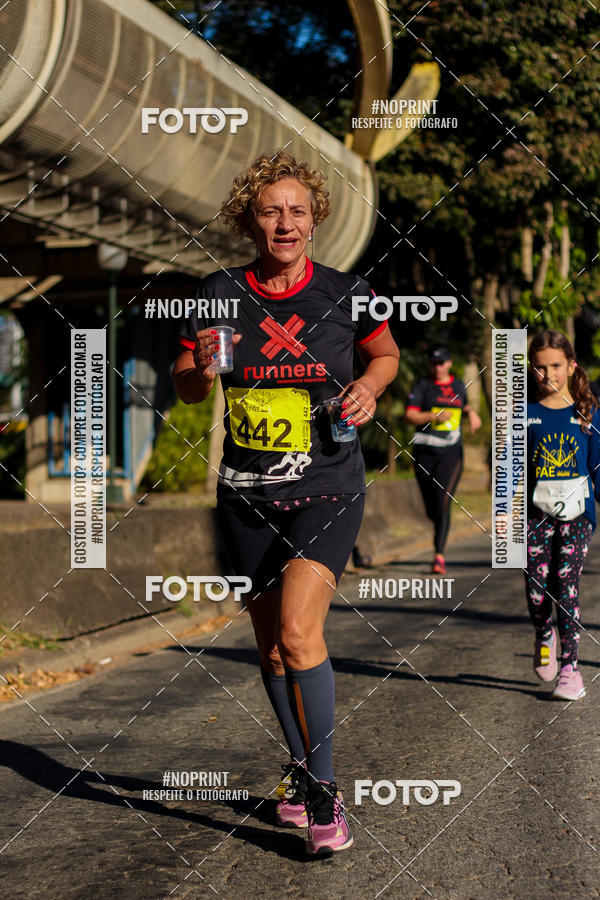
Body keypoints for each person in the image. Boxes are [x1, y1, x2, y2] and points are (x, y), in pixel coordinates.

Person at [172, 150, 399, 854]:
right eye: (271, 210)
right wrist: (202, 369)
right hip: (246, 494)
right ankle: (300, 770)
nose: (285, 222)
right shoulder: (216, 292)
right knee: (272, 650)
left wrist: (370, 388)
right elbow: (182, 382)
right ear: (249, 219)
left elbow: (384, 354)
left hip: (328, 483)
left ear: (315, 220)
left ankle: (327, 796)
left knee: (300, 633)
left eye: (297, 210)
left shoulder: (346, 291)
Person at [526, 330, 600, 700]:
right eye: (540, 368)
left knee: (566, 583)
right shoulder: (524, 414)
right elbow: (510, 472)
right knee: (538, 590)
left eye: (556, 366)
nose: (548, 375)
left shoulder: (588, 414)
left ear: (571, 366)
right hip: (535, 516)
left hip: (577, 515)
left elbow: (597, 469)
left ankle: (571, 670)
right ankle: (544, 633)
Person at [405, 344, 481, 574]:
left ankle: (439, 555)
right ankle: (438, 526)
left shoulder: (458, 385)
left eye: (441, 363)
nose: (437, 368)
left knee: (443, 500)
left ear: (449, 363)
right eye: (433, 364)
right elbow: (410, 416)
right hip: (424, 451)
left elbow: (464, 404)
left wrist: (471, 413)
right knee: (431, 508)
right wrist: (433, 416)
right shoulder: (423, 386)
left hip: (451, 451)